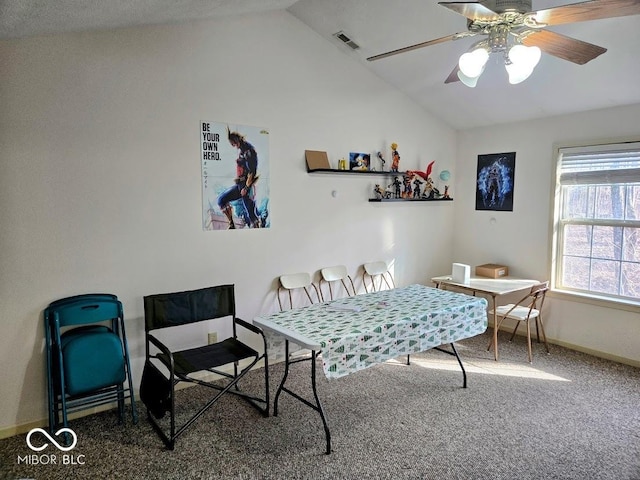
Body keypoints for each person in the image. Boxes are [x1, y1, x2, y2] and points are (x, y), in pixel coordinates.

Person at [217, 127, 260, 229]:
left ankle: (257, 228)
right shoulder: (241, 150)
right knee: (221, 200)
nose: (232, 145)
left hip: (247, 185)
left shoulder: (248, 150)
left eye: (232, 143)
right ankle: (232, 224)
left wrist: (246, 187)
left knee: (251, 214)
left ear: (235, 140)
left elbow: (252, 171)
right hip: (240, 185)